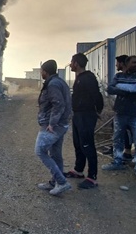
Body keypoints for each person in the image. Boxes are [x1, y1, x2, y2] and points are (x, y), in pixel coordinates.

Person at [102, 55, 136, 183]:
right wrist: (129, 91)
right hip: (120, 113)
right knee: (117, 139)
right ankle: (117, 162)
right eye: (134, 62)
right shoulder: (119, 76)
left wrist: (120, 87)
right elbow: (110, 89)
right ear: (127, 63)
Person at [35, 60, 72, 196]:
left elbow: (59, 104)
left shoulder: (53, 84)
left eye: (41, 71)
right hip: (60, 124)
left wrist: (51, 123)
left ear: (45, 71)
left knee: (40, 150)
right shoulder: (59, 82)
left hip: (53, 126)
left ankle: (62, 182)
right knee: (56, 154)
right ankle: (55, 182)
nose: (41, 73)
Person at [68, 53, 104, 189]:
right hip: (78, 115)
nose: (70, 64)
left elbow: (97, 95)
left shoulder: (88, 78)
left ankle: (92, 177)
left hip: (86, 115)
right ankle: (78, 170)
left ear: (76, 63)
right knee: (78, 143)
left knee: (87, 145)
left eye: (72, 62)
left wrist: (97, 111)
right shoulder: (79, 78)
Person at [102, 54, 133, 159]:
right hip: (120, 107)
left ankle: (127, 152)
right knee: (115, 127)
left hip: (129, 108)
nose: (116, 65)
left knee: (126, 129)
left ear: (122, 64)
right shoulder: (119, 76)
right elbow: (110, 89)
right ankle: (118, 148)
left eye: (117, 63)